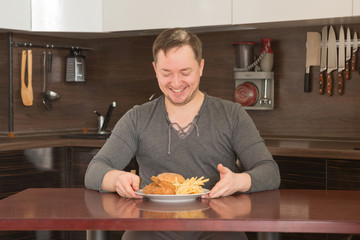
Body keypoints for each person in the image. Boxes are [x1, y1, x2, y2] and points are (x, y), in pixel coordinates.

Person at [85, 28, 281, 240]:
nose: (176, 83)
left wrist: (239, 181)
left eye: (185, 73)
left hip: (218, 228)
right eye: (166, 73)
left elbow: (270, 172)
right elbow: (95, 170)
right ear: (155, 69)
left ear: (201, 67)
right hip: (149, 230)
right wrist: (115, 179)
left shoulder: (232, 115)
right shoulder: (137, 118)